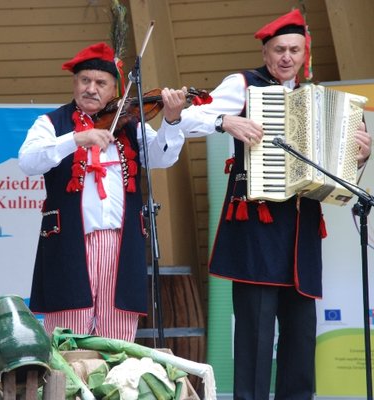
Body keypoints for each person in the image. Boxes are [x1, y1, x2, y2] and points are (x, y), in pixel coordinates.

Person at [176, 9, 372, 399]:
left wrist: (359, 156)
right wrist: (224, 123)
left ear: (305, 55)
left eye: (294, 50)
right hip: (257, 229)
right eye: (279, 49)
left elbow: (334, 173)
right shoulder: (242, 84)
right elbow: (184, 119)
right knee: (254, 336)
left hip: (300, 231)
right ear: (266, 54)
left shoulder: (313, 98)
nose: (286, 57)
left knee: (301, 337)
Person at [18, 42, 188, 342]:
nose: (91, 89)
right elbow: (28, 161)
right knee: (67, 336)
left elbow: (162, 157)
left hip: (122, 243)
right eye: (85, 80)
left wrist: (172, 121)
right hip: (70, 242)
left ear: (115, 91)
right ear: (75, 83)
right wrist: (76, 138)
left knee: (117, 335)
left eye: (101, 83)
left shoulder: (131, 124)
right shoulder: (51, 123)